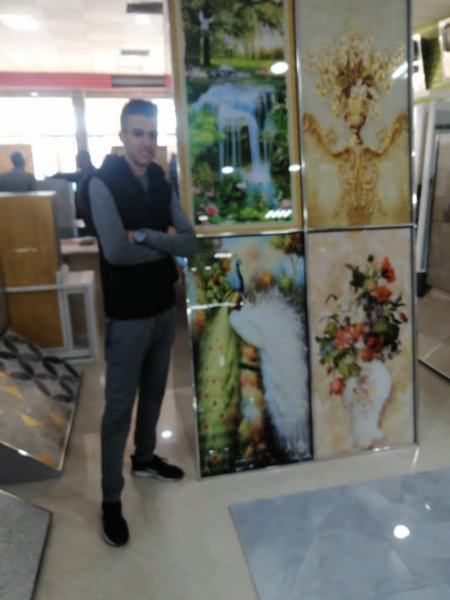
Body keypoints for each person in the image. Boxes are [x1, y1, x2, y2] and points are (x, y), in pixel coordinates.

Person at [80, 99, 197, 548]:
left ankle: (144, 458)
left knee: (154, 394)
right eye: (138, 133)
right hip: (127, 316)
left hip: (164, 310)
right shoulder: (101, 183)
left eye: (152, 134)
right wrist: (166, 243)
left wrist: (146, 237)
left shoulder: (161, 182)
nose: (147, 142)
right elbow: (115, 251)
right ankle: (111, 500)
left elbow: (190, 243)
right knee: (117, 411)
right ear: (122, 135)